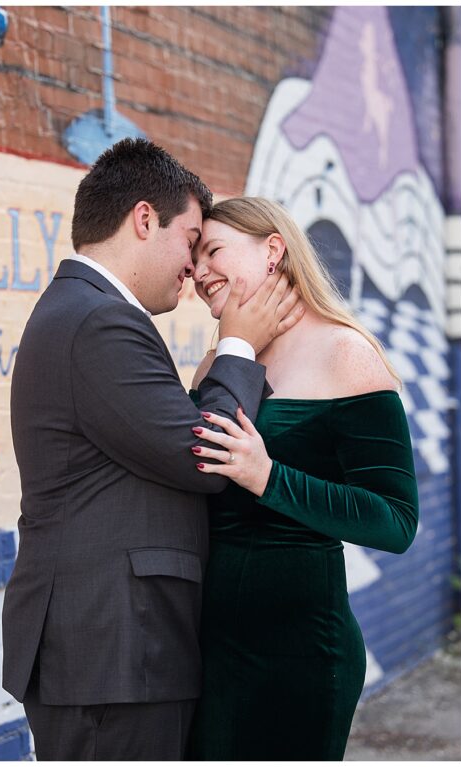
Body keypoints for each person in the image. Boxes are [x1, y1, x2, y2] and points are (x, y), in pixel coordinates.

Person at [3, 138, 301, 760]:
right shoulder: (99, 321)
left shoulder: (86, 311)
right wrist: (240, 345)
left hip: (113, 648)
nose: (194, 268)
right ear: (144, 219)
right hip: (113, 651)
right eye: (190, 239)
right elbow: (202, 455)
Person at [182, 197, 419, 760]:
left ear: (273, 250)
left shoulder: (347, 352)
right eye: (194, 261)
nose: (199, 272)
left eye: (213, 251)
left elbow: (396, 520)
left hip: (301, 652)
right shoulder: (217, 362)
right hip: (211, 647)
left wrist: (268, 477)